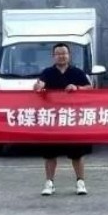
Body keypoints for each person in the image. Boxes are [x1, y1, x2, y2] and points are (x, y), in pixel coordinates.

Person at [33, 43, 93, 196]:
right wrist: (38, 87)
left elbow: (90, 88)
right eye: (58, 54)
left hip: (72, 119)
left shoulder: (77, 72)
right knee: (50, 154)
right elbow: (39, 88)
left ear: (69, 55)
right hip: (52, 120)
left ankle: (80, 182)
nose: (61, 56)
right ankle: (49, 183)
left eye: (64, 53)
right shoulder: (47, 73)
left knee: (77, 154)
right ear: (53, 56)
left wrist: (77, 88)